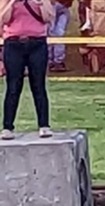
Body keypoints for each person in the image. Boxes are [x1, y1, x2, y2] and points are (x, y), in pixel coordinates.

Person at [1, 0, 55, 140]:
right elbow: (3, 20)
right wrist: (12, 3)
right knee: (13, 86)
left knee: (38, 85)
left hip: (37, 43)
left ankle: (44, 125)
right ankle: (7, 127)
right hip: (13, 43)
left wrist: (40, 3)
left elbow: (48, 18)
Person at [48, 0, 70, 72]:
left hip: (62, 6)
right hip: (50, 5)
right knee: (51, 32)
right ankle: (51, 61)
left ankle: (57, 61)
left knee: (58, 33)